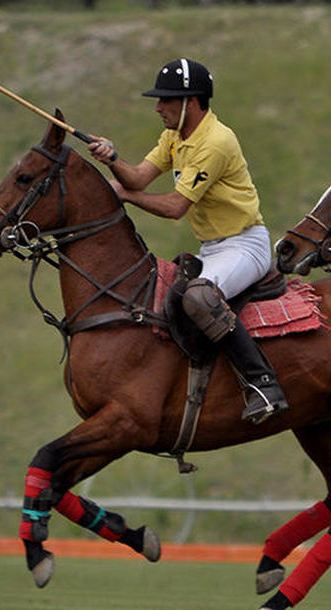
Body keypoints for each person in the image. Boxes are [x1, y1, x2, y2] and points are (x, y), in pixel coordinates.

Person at [86, 58, 288, 424]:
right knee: (173, 299)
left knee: (200, 298)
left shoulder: (216, 141)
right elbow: (138, 177)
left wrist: (127, 198)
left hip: (246, 246)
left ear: (190, 102)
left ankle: (263, 384)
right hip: (214, 248)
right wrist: (112, 159)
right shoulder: (174, 137)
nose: (158, 108)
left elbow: (176, 206)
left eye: (166, 100)